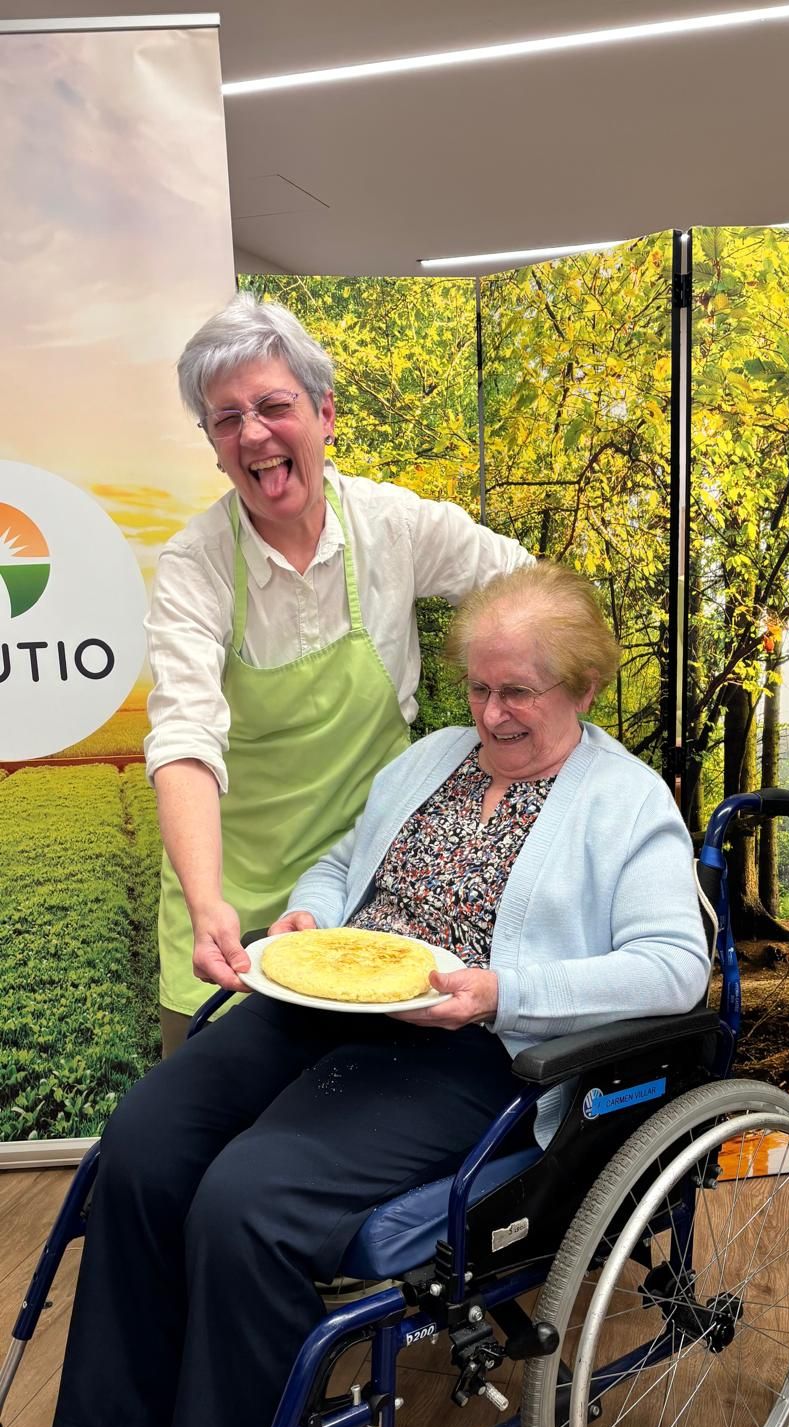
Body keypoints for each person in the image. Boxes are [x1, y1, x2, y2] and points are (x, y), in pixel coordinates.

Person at [0, 565, 710, 1427]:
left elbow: (672, 966)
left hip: (470, 1047)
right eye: (478, 687)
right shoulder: (430, 761)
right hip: (329, 999)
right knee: (146, 1137)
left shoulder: (624, 800)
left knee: (251, 1202)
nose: (491, 713)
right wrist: (308, 913)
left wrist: (497, 991)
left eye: (519, 692)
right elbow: (344, 864)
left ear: (584, 686)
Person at [146, 291, 532, 1055]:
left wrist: (504, 703)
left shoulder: (396, 527)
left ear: (324, 413)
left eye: (272, 405)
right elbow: (184, 738)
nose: (253, 433)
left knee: (340, 1132)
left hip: (371, 898)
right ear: (214, 444)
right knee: (193, 1119)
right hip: (229, 908)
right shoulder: (197, 565)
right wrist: (206, 903)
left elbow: (530, 589)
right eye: (227, 419)